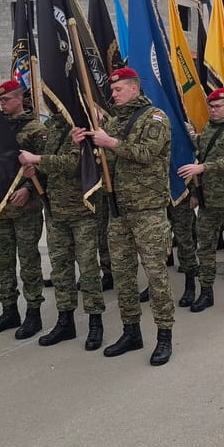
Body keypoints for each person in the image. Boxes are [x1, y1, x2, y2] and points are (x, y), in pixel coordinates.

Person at [74, 67, 174, 366]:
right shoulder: (114, 122)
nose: (113, 94)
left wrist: (112, 143)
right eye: (112, 90)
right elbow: (104, 158)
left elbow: (147, 153)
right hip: (119, 211)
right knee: (123, 275)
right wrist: (86, 142)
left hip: (148, 211)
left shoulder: (155, 117)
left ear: (134, 88)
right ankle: (132, 332)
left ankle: (164, 336)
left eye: (118, 89)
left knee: (155, 275)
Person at [18, 112, 106, 351]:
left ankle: (95, 322)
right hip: (56, 212)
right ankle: (65, 321)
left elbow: (74, 163)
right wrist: (35, 172)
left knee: (88, 270)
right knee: (61, 270)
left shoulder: (82, 125)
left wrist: (37, 158)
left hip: (81, 212)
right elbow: (51, 168)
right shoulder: (53, 128)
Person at [178, 88, 224, 315]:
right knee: (206, 249)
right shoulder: (208, 129)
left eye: (218, 106)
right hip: (208, 202)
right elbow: (198, 158)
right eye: (211, 106)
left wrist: (203, 167)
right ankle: (206, 292)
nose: (213, 110)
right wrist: (194, 192)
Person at [0, 80, 47, 338]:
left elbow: (44, 165)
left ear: (19, 99)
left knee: (28, 260)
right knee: (3, 261)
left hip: (26, 207)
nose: (2, 104)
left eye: (6, 100)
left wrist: (29, 189)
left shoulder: (35, 129)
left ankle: (33, 312)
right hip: (1, 206)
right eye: (0, 101)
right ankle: (9, 310)